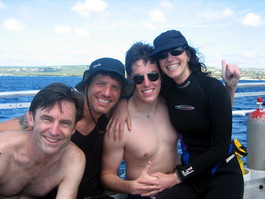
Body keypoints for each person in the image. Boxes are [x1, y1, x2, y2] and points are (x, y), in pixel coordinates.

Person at [0, 57, 135, 199]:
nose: (107, 93)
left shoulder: (110, 113)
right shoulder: (63, 113)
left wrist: (123, 103)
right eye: (100, 84)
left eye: (115, 87)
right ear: (87, 85)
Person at [148, 30, 244, 199]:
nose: (169, 58)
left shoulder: (212, 88)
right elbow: (136, 92)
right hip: (192, 177)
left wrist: (177, 177)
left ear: (188, 55)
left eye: (176, 51)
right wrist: (120, 110)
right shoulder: (166, 92)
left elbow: (220, 147)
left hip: (222, 173)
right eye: (163, 55)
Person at [101, 42, 181, 198]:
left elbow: (211, 115)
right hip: (143, 194)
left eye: (153, 75)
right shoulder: (120, 124)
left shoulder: (170, 104)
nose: (147, 83)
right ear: (130, 80)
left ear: (161, 76)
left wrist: (229, 88)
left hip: (177, 184)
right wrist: (131, 187)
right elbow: (106, 175)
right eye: (138, 78)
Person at [0, 83, 85, 198]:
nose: (54, 131)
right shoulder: (3, 151)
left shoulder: (73, 158)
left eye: (65, 123)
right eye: (47, 119)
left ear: (74, 128)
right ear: (31, 119)